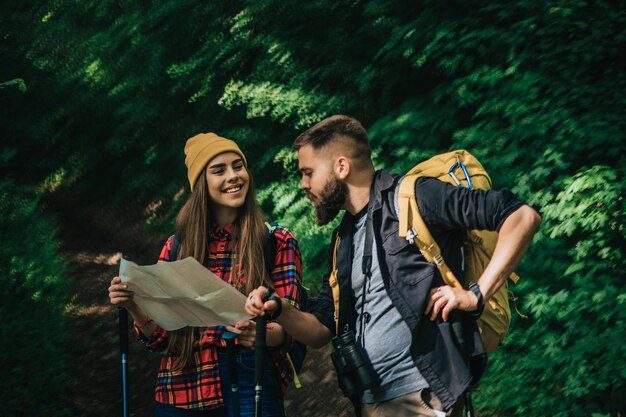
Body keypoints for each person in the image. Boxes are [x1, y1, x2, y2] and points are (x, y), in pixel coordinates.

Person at [245, 115, 541, 417]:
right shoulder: (343, 239)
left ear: (341, 167)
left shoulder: (415, 198)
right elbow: (322, 329)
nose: (303, 184)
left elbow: (522, 217)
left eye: (308, 172)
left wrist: (475, 294)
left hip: (424, 398)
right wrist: (280, 308)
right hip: (372, 401)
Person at [108, 133, 303, 417]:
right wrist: (132, 305)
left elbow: (291, 328)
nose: (234, 176)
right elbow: (160, 338)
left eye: (238, 166)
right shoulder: (177, 247)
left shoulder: (276, 240)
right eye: (219, 170)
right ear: (201, 183)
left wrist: (260, 334)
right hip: (179, 390)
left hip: (246, 381)